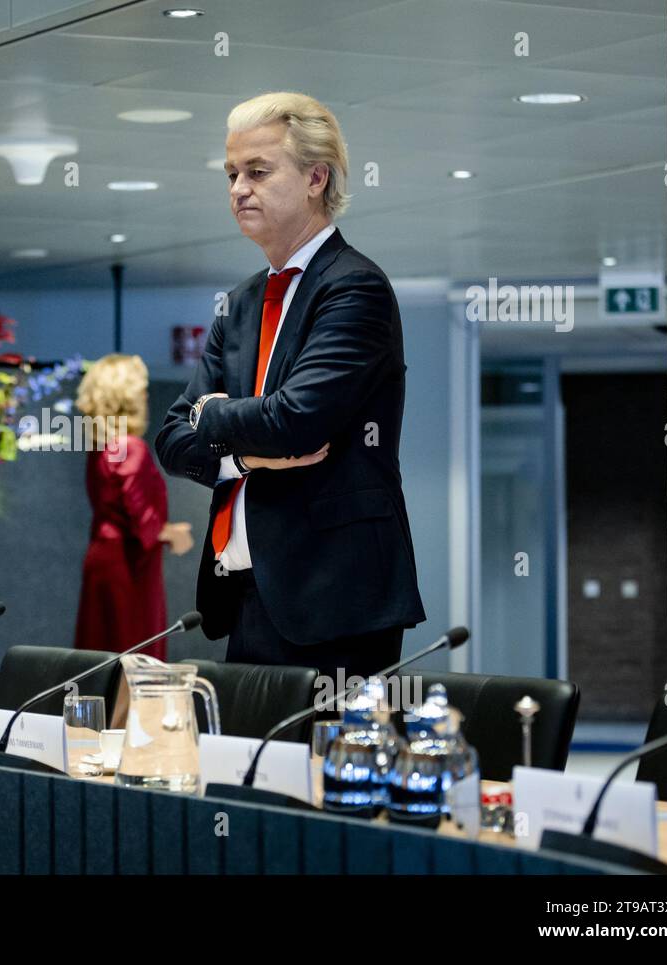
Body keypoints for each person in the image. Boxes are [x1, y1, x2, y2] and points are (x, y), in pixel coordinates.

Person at [155, 91, 426, 679]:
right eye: (231, 174)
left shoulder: (355, 287)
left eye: (257, 171)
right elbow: (172, 439)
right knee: (246, 771)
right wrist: (247, 456)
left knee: (330, 772)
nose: (237, 189)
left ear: (315, 178)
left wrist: (214, 416)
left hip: (335, 595)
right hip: (245, 589)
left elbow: (297, 421)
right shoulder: (242, 300)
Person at [74, 354, 193, 662]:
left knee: (101, 657)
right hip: (129, 565)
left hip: (103, 559)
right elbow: (141, 520)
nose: (147, 395)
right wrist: (173, 533)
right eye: (141, 389)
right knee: (135, 658)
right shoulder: (131, 448)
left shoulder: (101, 447)